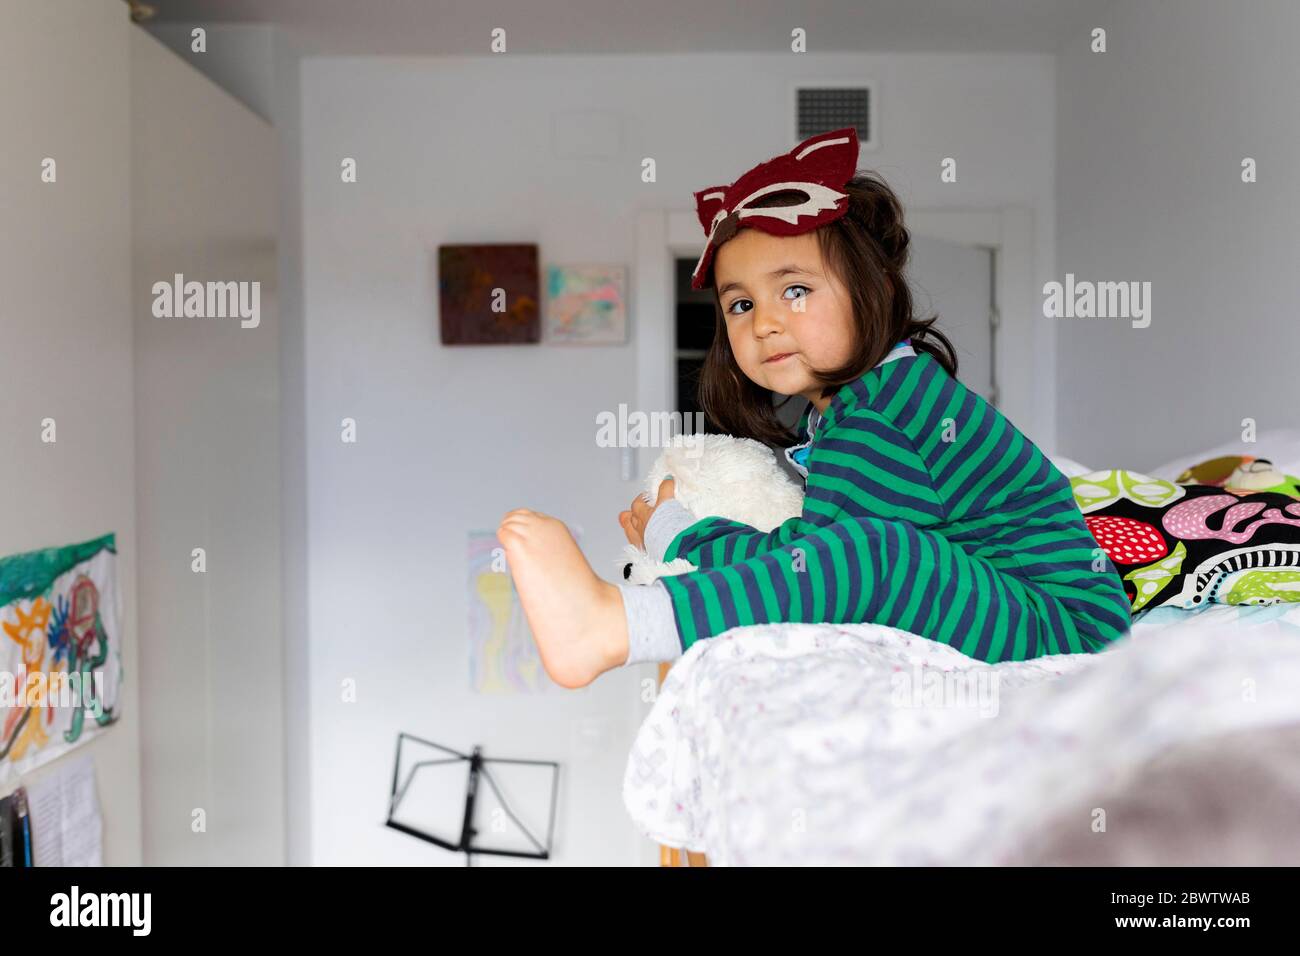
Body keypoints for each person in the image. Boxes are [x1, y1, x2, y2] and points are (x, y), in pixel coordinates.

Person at [498, 127, 1131, 689]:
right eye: (740, 305)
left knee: (883, 553)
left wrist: (684, 534)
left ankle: (618, 625)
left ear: (875, 290)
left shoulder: (886, 408)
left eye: (796, 290)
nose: (766, 323)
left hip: (1064, 632)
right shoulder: (849, 410)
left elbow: (827, 560)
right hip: (1010, 611)